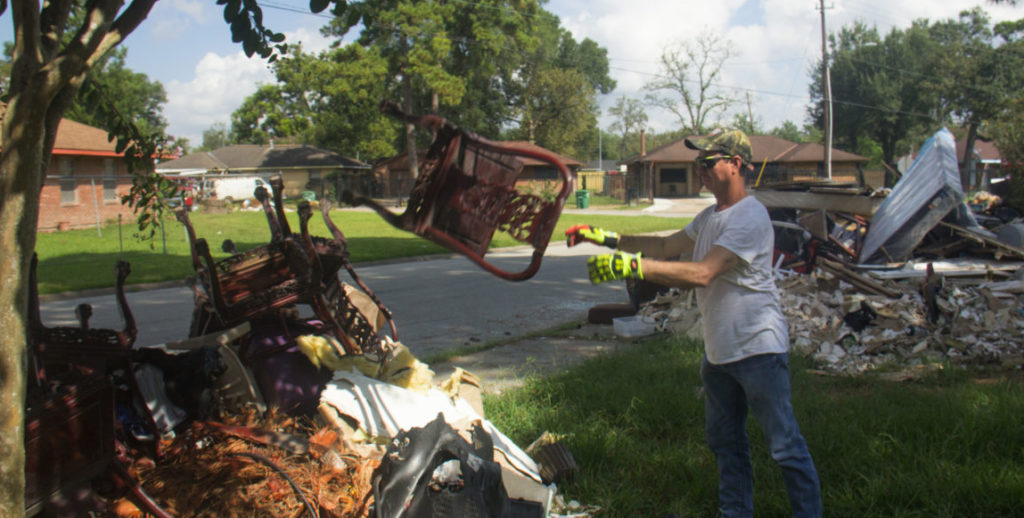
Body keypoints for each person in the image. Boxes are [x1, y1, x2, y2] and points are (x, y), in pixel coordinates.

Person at [566, 129, 822, 518]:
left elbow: (703, 272)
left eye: (708, 162)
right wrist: (607, 238)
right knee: (726, 443)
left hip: (758, 350)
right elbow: (666, 246)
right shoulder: (710, 216)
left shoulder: (751, 217)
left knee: (784, 446)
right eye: (696, 163)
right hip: (719, 353)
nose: (699, 170)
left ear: (735, 165)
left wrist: (634, 267)